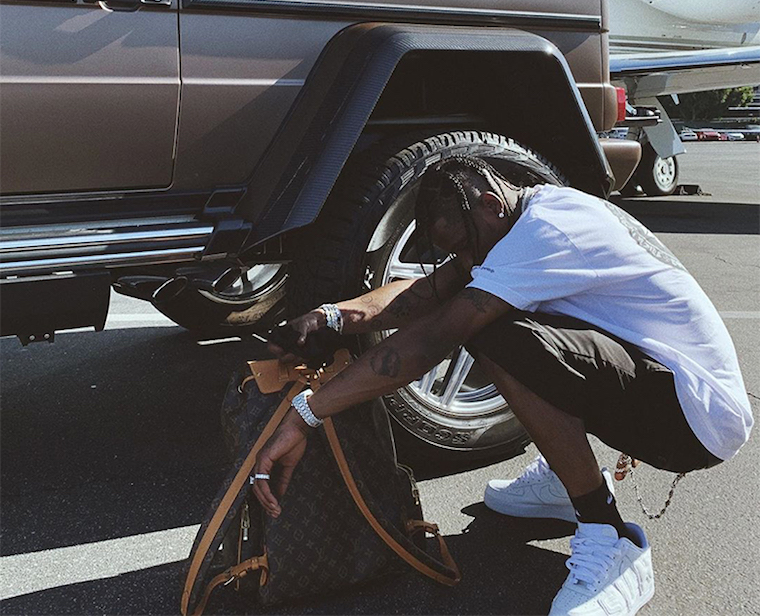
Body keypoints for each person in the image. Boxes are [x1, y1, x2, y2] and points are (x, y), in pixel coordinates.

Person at [252, 155, 753, 616]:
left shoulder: (546, 232)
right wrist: (328, 319)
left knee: (492, 333)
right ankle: (567, 474)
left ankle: (610, 535)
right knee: (488, 310)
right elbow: (428, 291)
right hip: (659, 382)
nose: (465, 259)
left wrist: (308, 412)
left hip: (693, 417)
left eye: (465, 246)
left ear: (490, 205)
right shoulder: (517, 217)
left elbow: (432, 338)